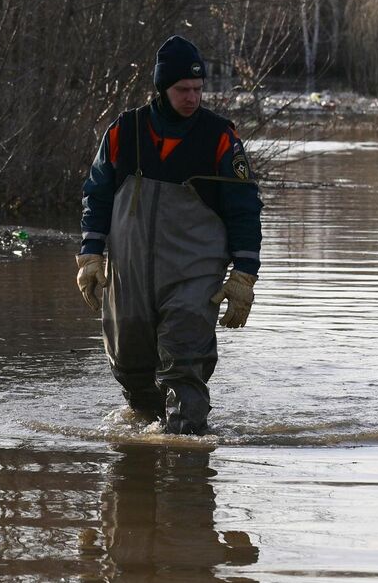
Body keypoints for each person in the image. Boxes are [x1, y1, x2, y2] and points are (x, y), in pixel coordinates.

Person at [76, 35, 262, 435]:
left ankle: (187, 466)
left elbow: (245, 208)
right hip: (130, 274)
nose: (192, 97)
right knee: (130, 369)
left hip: (193, 276)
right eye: (183, 89)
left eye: (198, 89)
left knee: (184, 368)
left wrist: (244, 275)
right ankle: (145, 454)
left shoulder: (220, 139)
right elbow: (97, 194)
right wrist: (91, 255)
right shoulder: (123, 132)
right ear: (162, 88)